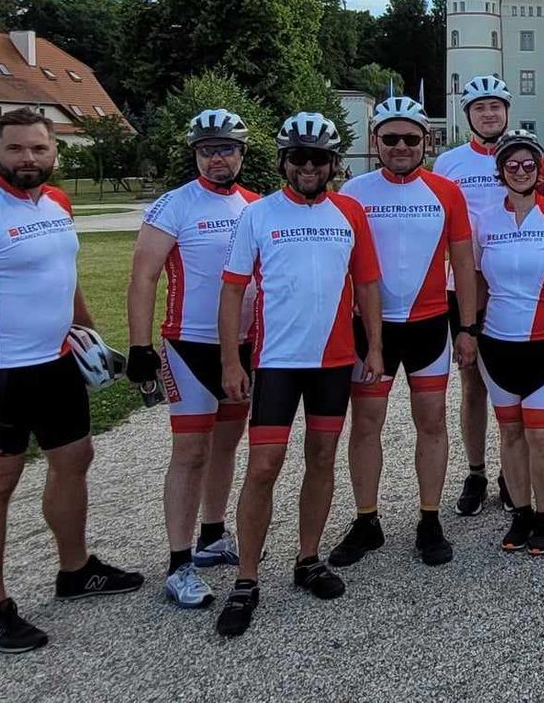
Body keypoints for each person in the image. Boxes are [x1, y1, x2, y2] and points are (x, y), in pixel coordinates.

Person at [0, 107, 141, 653]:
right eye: (16, 148)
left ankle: (76, 570)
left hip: (56, 363)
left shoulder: (57, 201)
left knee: (75, 460)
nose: (28, 158)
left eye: (39, 148)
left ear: (54, 152)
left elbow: (63, 272)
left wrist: (87, 328)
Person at [212, 112, 382, 637]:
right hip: (277, 362)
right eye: (298, 158)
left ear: (333, 164)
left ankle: (308, 558)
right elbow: (233, 290)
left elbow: (367, 285)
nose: (309, 167)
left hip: (333, 361)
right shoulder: (258, 214)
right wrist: (230, 360)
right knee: (263, 466)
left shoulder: (350, 211)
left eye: (319, 159)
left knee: (322, 458)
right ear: (283, 162)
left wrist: (375, 347)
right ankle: (246, 579)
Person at [333, 96, 476, 569]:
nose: (400, 146)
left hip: (429, 325)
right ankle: (366, 518)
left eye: (410, 138)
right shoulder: (354, 191)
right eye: (390, 138)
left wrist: (467, 327)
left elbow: (464, 264)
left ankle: (429, 519)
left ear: (426, 141)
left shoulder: (446, 192)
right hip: (370, 328)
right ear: (375, 141)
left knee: (431, 422)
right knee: (366, 424)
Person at [125, 109, 258, 610]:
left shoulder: (255, 204)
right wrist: (140, 346)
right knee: (190, 452)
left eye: (225, 149)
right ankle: (179, 563)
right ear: (195, 154)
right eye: (207, 150)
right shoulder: (174, 204)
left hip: (242, 345)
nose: (217, 158)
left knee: (226, 445)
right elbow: (143, 277)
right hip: (188, 344)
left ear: (241, 153)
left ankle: (213, 536)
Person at [470, 130, 544, 556]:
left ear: (539, 170)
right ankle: (520, 512)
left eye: (528, 164)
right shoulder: (486, 221)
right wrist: (468, 329)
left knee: (541, 436)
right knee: (510, 433)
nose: (520, 171)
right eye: (512, 165)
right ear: (501, 171)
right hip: (497, 342)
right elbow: (477, 280)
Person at [433, 75, 544, 516]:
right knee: (472, 384)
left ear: (507, 111)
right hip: (462, 285)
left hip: (514, 286)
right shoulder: (449, 163)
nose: (488, 114)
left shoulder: (527, 156)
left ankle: (510, 471)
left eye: (495, 106)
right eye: (479, 108)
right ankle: (477, 471)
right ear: (468, 115)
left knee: (512, 382)